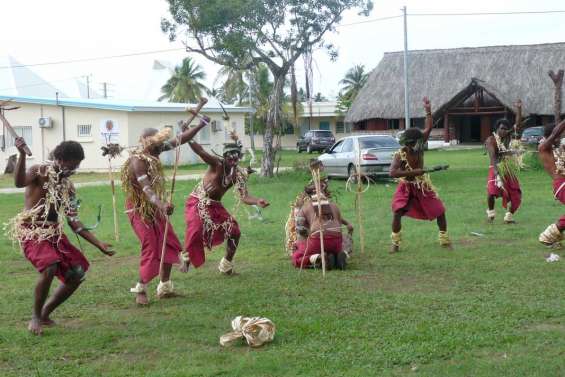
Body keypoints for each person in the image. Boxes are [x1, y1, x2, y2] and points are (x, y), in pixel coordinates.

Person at [5, 138, 114, 335]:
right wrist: (21, 154)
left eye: (77, 165)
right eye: (71, 165)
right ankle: (35, 318)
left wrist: (99, 244)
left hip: (54, 234)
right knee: (50, 266)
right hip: (32, 231)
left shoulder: (68, 187)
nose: (73, 169)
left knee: (77, 273)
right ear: (59, 159)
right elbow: (19, 182)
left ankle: (45, 313)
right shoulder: (40, 171)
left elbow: (74, 221)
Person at [122, 117, 209, 305]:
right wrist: (162, 205)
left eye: (161, 144)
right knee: (151, 245)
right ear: (146, 142)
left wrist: (201, 124)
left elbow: (181, 139)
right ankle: (141, 289)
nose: (161, 148)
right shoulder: (137, 161)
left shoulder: (155, 150)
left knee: (167, 242)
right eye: (157, 144)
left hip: (155, 208)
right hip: (139, 209)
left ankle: (165, 287)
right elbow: (146, 189)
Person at [184, 133, 269, 275]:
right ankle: (186, 257)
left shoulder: (237, 174)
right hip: (198, 202)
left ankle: (226, 265)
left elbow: (244, 196)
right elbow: (201, 151)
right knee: (196, 230)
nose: (233, 159)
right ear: (224, 156)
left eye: (236, 156)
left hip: (215, 205)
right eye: (230, 156)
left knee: (234, 231)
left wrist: (257, 201)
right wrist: (188, 137)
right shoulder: (217, 164)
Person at [389, 97, 450, 253]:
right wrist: (413, 172)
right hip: (406, 187)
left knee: (440, 211)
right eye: (408, 144)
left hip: (422, 186)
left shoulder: (420, 145)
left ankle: (444, 239)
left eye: (413, 143)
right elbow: (393, 173)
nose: (411, 146)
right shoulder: (400, 154)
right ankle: (395, 242)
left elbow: (428, 127)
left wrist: (428, 111)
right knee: (397, 213)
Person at [291, 165, 354, 269]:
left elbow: (300, 230)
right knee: (337, 244)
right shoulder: (333, 205)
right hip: (336, 240)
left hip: (317, 240)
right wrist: (347, 225)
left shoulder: (306, 206)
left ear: (308, 195)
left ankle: (319, 258)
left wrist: (300, 244)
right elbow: (337, 223)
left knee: (296, 258)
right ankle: (337, 255)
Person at [485, 104, 524, 224]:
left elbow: (517, 126)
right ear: (496, 128)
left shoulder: (507, 136)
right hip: (495, 167)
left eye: (505, 129)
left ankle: (509, 216)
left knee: (516, 193)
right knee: (492, 191)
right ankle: (491, 212)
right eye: (501, 128)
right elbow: (493, 157)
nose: (503, 131)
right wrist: (497, 174)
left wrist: (518, 109)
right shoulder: (491, 140)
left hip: (507, 168)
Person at [537, 119, 565, 247]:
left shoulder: (557, 150)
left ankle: (550, 235)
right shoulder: (543, 148)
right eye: (559, 136)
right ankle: (549, 234)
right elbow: (554, 134)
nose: (560, 138)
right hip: (560, 184)